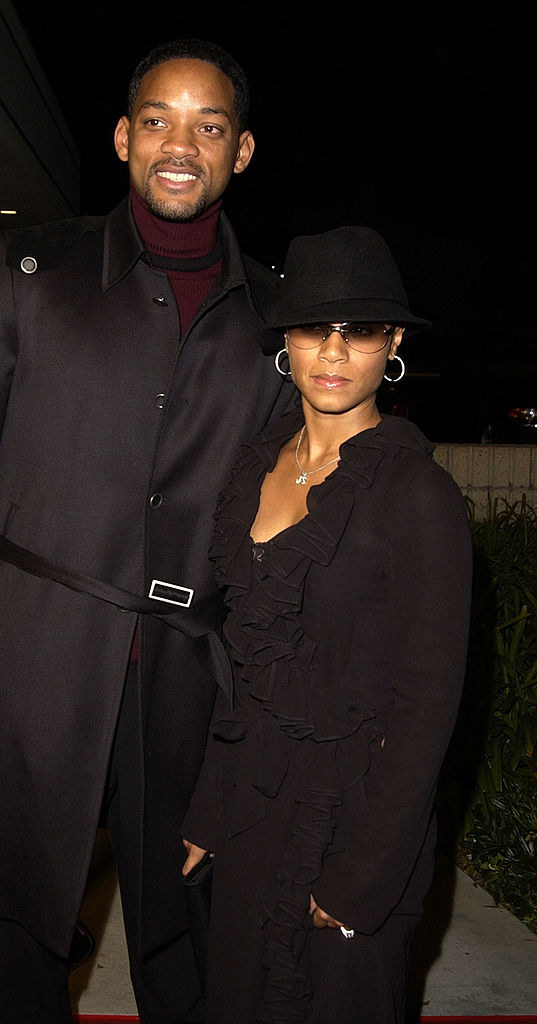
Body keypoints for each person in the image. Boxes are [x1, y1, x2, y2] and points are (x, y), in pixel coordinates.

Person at [0, 39, 294, 1024]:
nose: (179, 144)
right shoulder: (32, 268)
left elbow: (288, 534)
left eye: (209, 125)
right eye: (157, 119)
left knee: (189, 936)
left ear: (240, 151)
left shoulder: (283, 322)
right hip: (26, 665)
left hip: (191, 685)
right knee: (9, 920)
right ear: (122, 136)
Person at [182, 226, 473, 1023]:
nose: (335, 352)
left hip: (351, 818)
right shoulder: (256, 466)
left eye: (362, 331)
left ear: (394, 343)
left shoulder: (418, 496)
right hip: (249, 807)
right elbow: (238, 664)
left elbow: (426, 710)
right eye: (315, 328)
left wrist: (361, 877)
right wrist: (211, 808)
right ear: (285, 339)